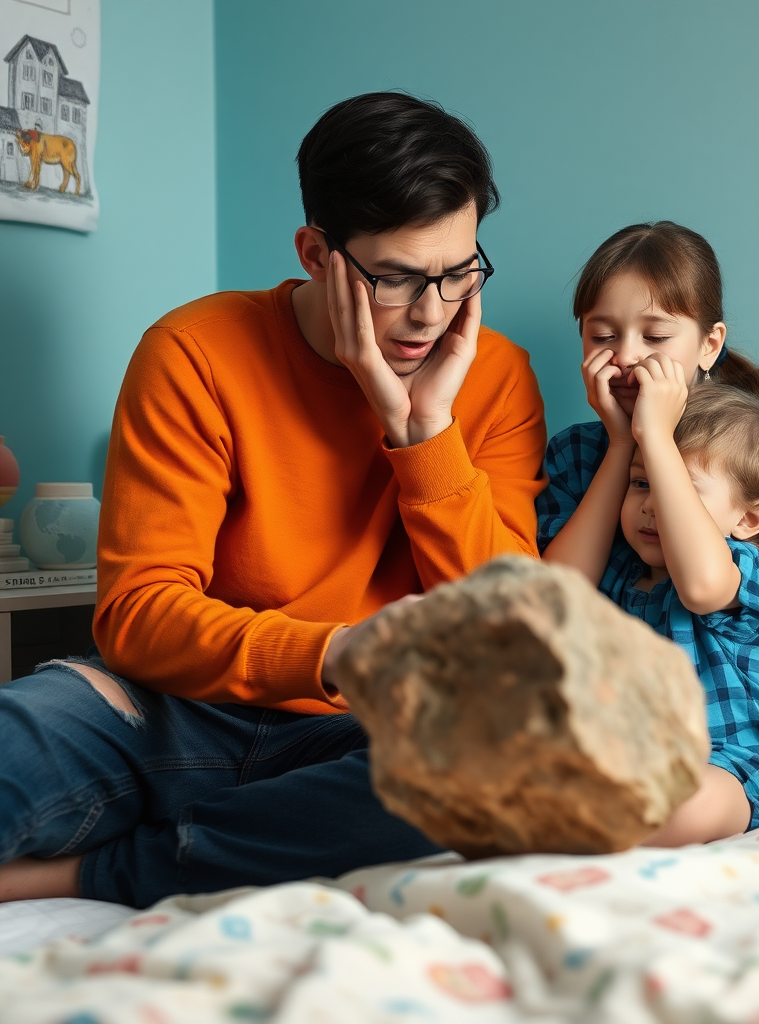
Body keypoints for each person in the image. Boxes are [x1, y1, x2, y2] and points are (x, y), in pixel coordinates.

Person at [0, 92, 548, 908]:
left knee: (500, 759)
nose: (431, 313)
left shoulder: (494, 376)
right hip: (168, 707)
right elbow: (140, 614)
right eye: (395, 278)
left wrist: (422, 432)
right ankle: (230, 831)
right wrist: (330, 655)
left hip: (375, 730)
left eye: (458, 272)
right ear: (317, 252)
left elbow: (506, 624)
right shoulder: (194, 352)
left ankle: (100, 869)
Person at [539, 221, 759, 844]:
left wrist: (656, 439)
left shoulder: (740, 492)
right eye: (602, 336)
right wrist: (620, 445)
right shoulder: (579, 456)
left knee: (683, 805)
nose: (629, 355)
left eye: (656, 335)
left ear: (708, 344)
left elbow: (700, 586)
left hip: (714, 757)